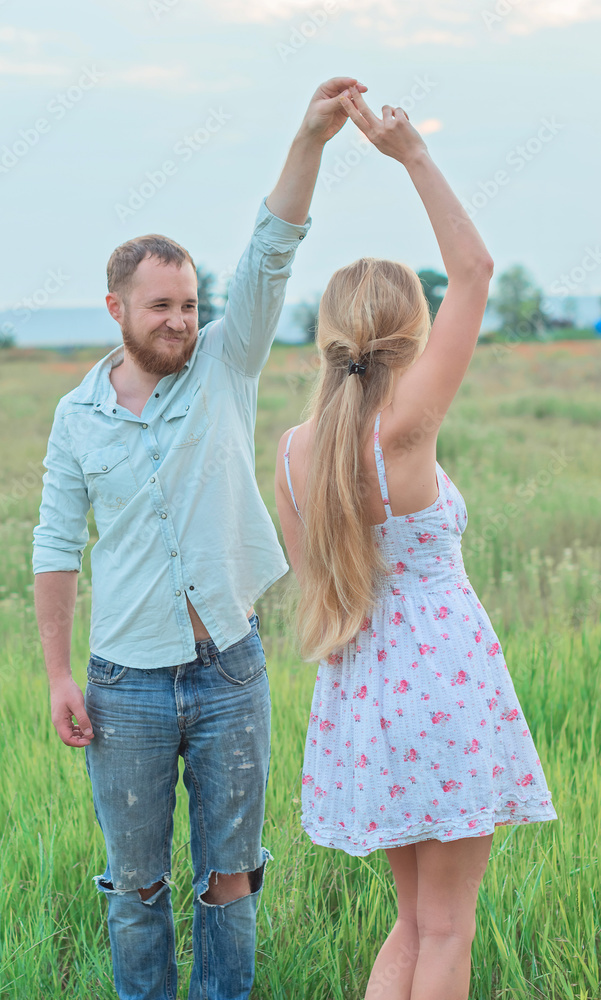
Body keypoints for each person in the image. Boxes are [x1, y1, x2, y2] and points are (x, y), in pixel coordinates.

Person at [31, 76, 368, 1000]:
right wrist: (60, 673)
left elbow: (270, 250)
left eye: (187, 303)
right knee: (136, 889)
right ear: (116, 311)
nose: (180, 321)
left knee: (230, 882)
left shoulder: (226, 362)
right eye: (160, 308)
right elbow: (56, 545)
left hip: (228, 668)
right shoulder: (77, 417)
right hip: (122, 684)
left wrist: (309, 136)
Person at [274, 88, 557, 1000]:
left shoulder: (294, 451)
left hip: (361, 689)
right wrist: (412, 154)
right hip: (440, 681)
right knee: (448, 933)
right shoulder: (404, 425)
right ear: (409, 331)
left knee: (412, 921)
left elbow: (313, 576)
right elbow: (472, 270)